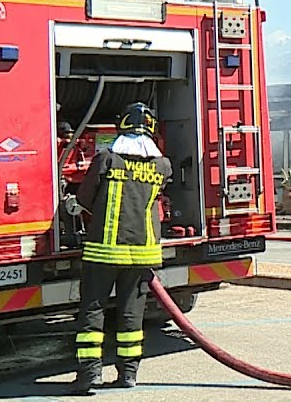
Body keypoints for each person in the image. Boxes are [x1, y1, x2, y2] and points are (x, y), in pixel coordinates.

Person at [67, 102, 173, 395]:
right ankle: (128, 374)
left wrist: (69, 204)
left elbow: (84, 201)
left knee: (93, 310)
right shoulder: (162, 166)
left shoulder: (106, 159)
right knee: (131, 315)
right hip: (143, 253)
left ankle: (89, 374)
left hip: (103, 252)